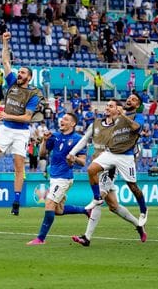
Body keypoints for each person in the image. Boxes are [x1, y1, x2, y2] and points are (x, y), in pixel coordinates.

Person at [68, 100, 147, 246]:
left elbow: (133, 141)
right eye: (107, 106)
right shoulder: (97, 123)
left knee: (99, 199)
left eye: (111, 106)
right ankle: (138, 225)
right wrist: (72, 153)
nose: (107, 108)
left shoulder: (121, 125)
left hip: (111, 167)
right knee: (113, 207)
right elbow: (85, 140)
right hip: (99, 164)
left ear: (118, 110)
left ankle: (87, 237)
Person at [0, 32, 43, 215]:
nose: (19, 73)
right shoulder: (12, 83)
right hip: (6, 129)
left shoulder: (34, 93)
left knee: (18, 167)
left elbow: (27, 118)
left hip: (21, 132)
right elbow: (6, 62)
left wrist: (7, 115)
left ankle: (16, 202)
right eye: (20, 71)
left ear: (29, 78)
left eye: (23, 72)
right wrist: (4, 42)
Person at [84, 94, 148, 227]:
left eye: (134, 99)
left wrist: (122, 115)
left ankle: (143, 210)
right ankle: (97, 198)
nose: (130, 100)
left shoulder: (137, 116)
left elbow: (136, 128)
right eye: (129, 98)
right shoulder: (117, 117)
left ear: (137, 105)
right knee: (91, 169)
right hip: (111, 153)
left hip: (125, 156)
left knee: (133, 187)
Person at [27, 113, 88, 245]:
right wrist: (44, 140)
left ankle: (40, 238)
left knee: (49, 204)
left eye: (66, 119)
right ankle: (86, 210)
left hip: (64, 177)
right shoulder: (54, 136)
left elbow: (82, 162)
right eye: (62, 118)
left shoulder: (78, 139)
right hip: (54, 177)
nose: (62, 120)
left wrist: (74, 158)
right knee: (58, 211)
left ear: (73, 124)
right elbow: (42, 154)